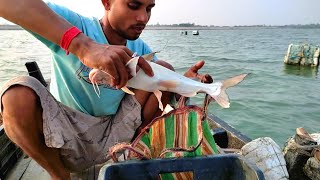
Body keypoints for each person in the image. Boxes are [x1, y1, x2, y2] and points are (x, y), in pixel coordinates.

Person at [0, 0, 213, 179]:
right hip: (65, 134)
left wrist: (185, 83)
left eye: (149, 8)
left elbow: (162, 93)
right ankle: (60, 176)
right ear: (107, 2)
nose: (143, 18)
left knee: (163, 70)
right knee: (16, 94)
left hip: (116, 133)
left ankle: (136, 153)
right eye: (133, 5)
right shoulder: (75, 25)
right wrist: (82, 46)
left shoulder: (141, 50)